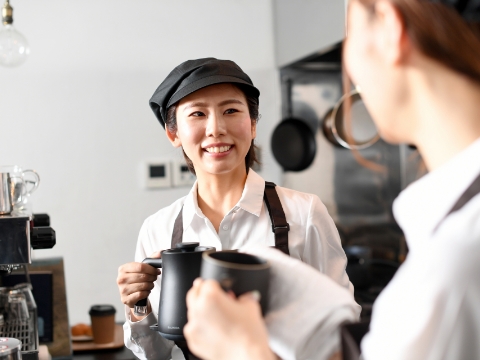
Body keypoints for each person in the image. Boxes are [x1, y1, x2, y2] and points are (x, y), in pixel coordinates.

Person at [183, 0, 480, 359]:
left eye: (349, 33)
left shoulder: (456, 256)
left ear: (389, 25)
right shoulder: (452, 230)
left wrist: (243, 351)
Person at [116, 58, 358, 360]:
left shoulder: (304, 213)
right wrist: (138, 307)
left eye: (231, 110)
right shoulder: (158, 228)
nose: (216, 129)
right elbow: (156, 355)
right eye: (198, 114)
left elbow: (342, 329)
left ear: (253, 124)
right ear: (173, 134)